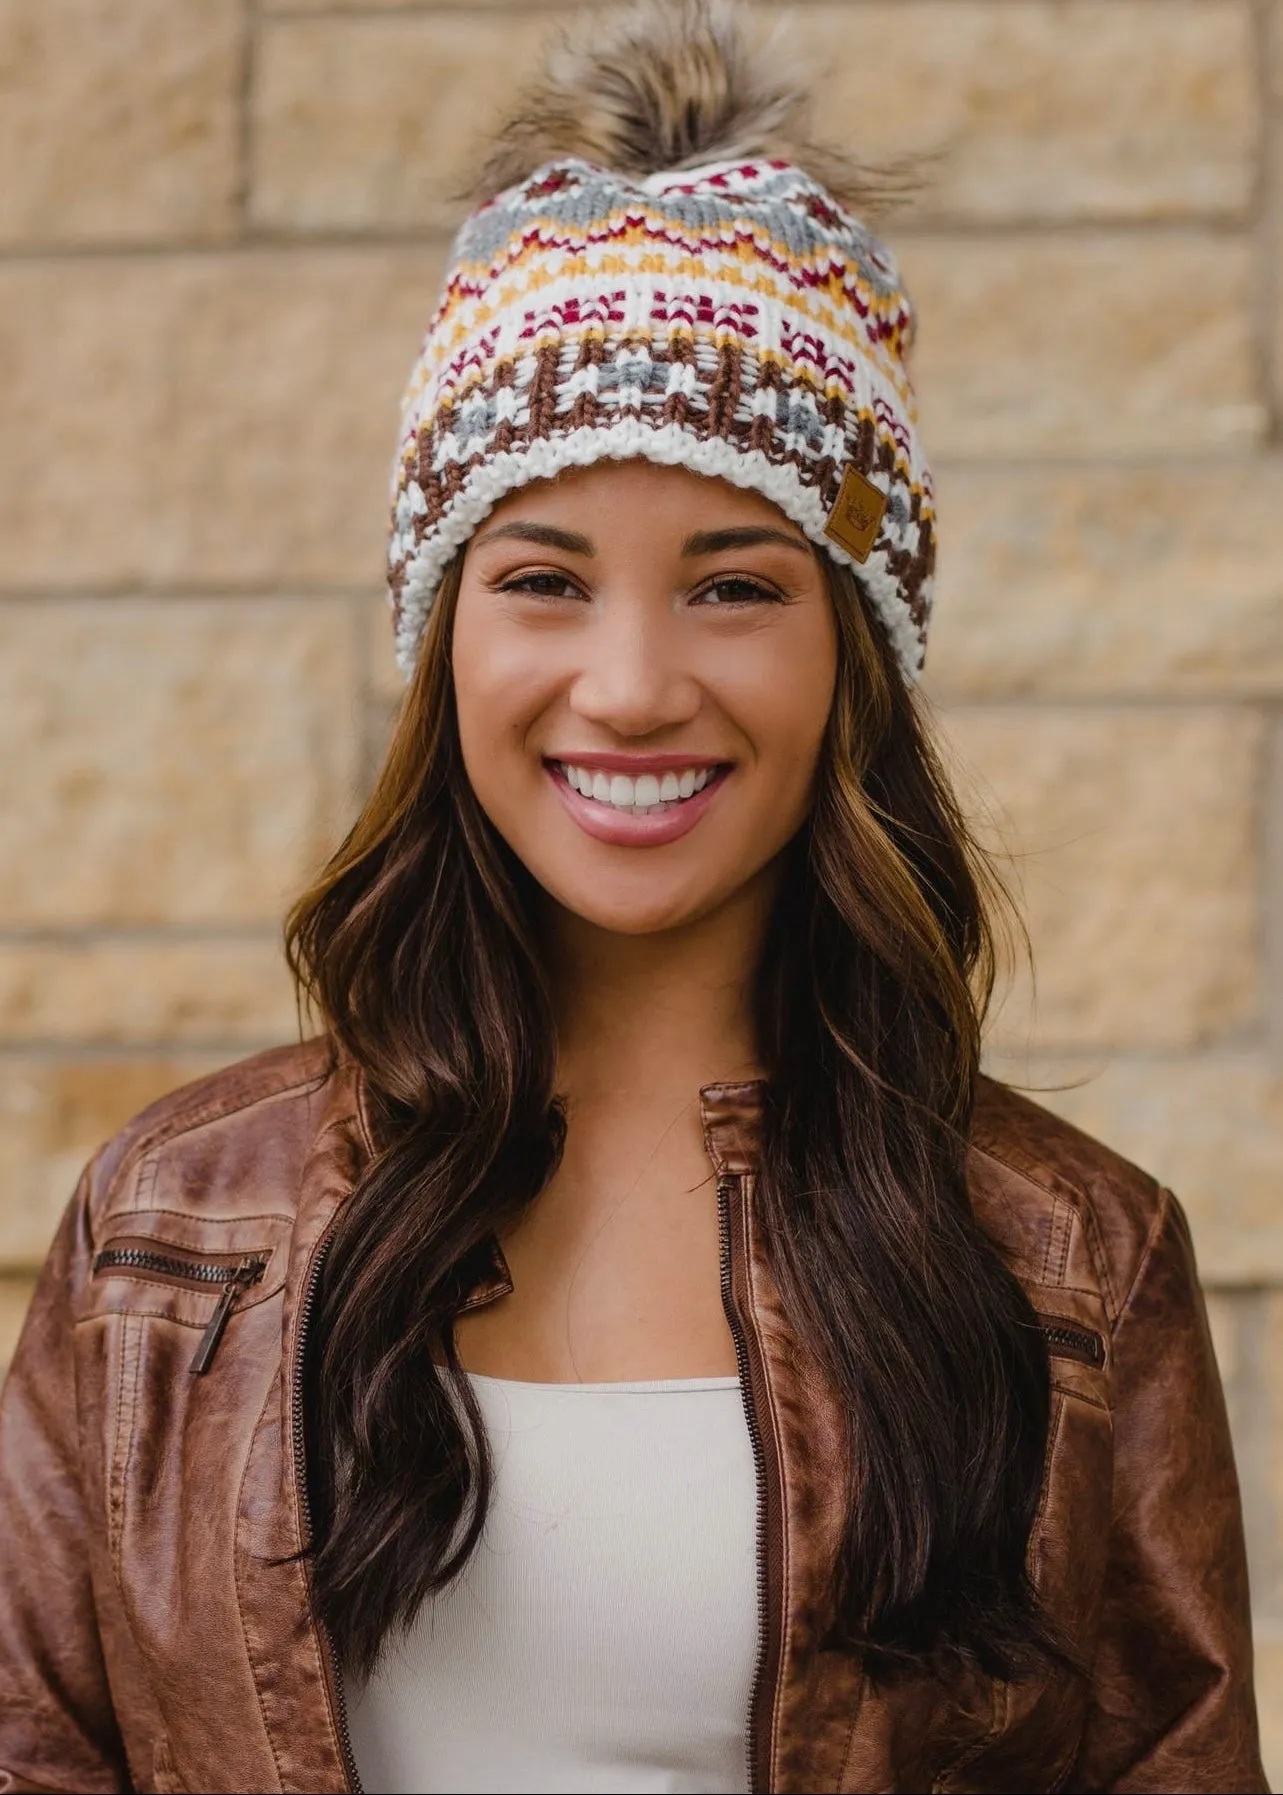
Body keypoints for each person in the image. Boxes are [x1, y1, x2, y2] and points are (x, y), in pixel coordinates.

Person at [0, 2, 1267, 1790]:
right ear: (444, 640)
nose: (628, 683)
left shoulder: (1068, 1261)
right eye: (541, 577)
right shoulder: (166, 1235)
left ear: (857, 653)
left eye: (733, 584)